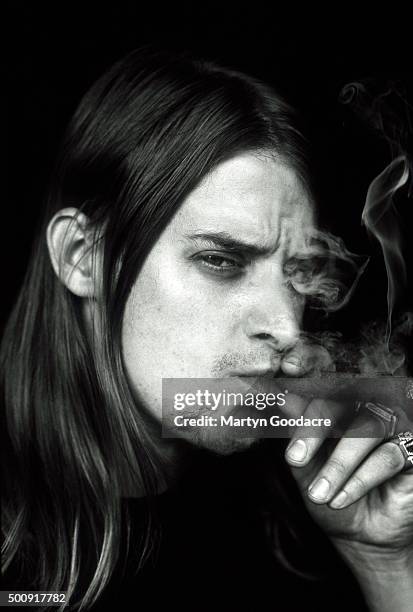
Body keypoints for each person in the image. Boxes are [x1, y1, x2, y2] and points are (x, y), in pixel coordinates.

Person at [1, 47, 413, 611]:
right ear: (82, 257)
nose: (287, 325)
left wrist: (387, 564)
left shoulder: (299, 497)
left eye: (298, 274)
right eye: (221, 260)